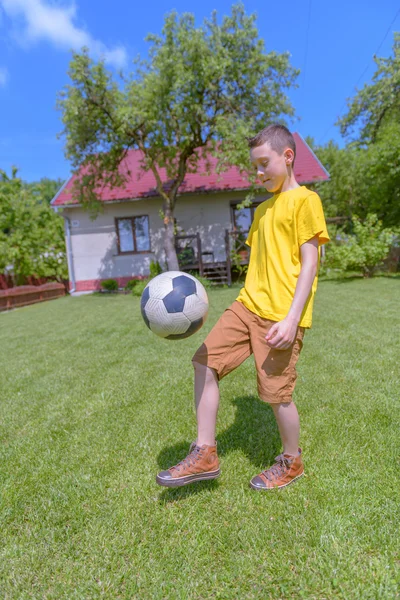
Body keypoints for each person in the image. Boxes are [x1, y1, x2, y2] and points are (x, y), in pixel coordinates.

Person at [156, 124, 330, 490]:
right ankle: (205, 452)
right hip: (246, 306)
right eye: (255, 166)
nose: (259, 172)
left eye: (264, 163)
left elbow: (311, 263)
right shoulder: (261, 210)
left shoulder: (306, 200)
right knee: (204, 361)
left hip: (280, 317)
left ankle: (291, 461)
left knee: (276, 395)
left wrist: (292, 318)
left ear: (288, 156)